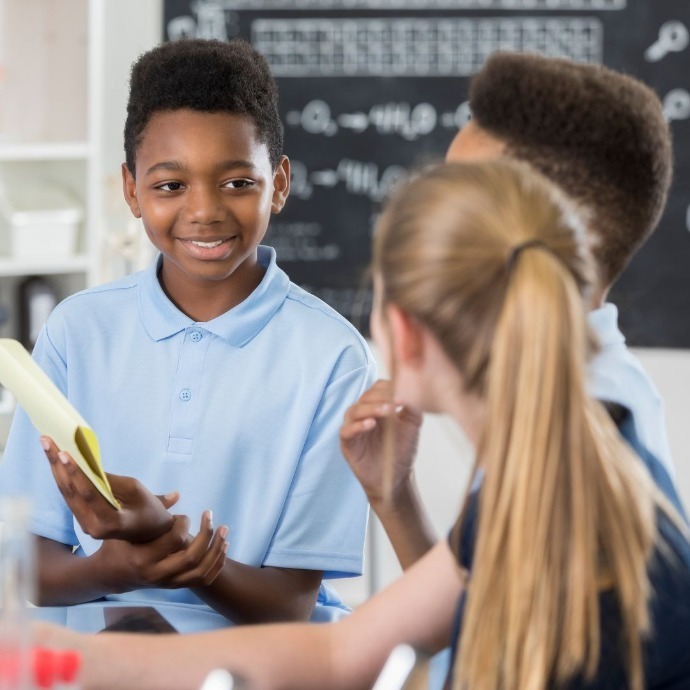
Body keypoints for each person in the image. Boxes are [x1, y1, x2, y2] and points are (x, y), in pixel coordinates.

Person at [35, 160, 690, 690]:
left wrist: (50, 658)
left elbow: (367, 657)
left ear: (401, 331)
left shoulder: (553, 498)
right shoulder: (590, 448)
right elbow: (357, 650)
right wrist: (391, 494)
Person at [0, 38, 376, 631]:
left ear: (278, 183)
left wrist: (176, 552)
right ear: (131, 190)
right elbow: (28, 568)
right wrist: (121, 567)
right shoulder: (78, 332)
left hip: (256, 661)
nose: (204, 211)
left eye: (236, 183)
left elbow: (290, 606)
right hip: (105, 659)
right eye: (171, 186)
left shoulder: (333, 358)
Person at [341, 51, 677, 570]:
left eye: (464, 204)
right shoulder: (549, 387)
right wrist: (394, 495)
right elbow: (470, 618)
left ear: (557, 229)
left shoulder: (582, 425)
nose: (436, 219)